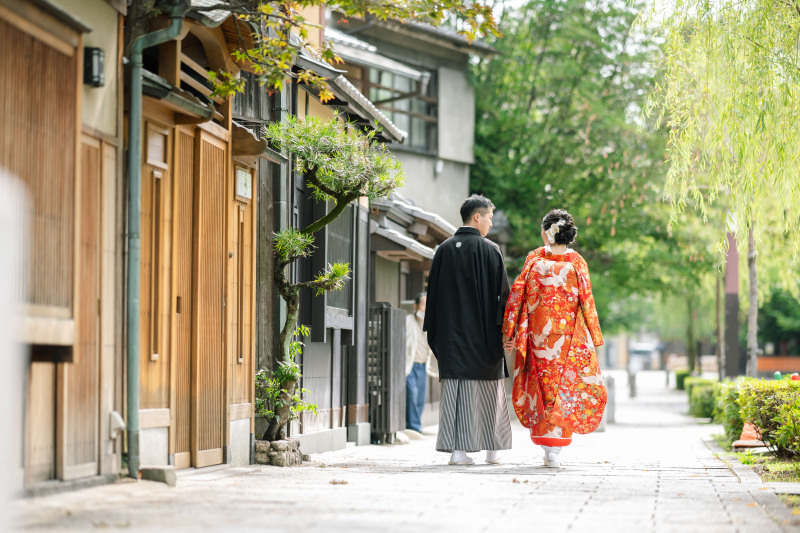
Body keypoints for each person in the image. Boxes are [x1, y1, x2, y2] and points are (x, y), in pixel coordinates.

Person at [502, 209, 606, 468]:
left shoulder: (534, 258)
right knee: (563, 388)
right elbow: (587, 299)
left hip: (538, 337)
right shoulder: (577, 262)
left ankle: (547, 449)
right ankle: (556, 451)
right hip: (568, 338)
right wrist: (594, 335)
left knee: (541, 387)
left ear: (545, 232)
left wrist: (510, 329)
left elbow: (517, 294)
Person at [424, 194, 512, 465]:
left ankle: (457, 452)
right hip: (485, 338)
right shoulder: (491, 250)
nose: (490, 224)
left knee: (456, 394)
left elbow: (433, 297)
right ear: (477, 217)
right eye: (488, 218)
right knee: (489, 393)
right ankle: (493, 451)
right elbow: (504, 297)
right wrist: (507, 335)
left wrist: (435, 335)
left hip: (450, 338)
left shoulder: (444, 250)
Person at [405, 292, 438, 434]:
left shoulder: (431, 323)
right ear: (416, 306)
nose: (425, 308)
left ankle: (415, 425)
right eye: (423, 304)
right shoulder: (407, 321)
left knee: (420, 397)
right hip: (410, 364)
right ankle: (413, 426)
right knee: (412, 394)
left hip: (423, 365)